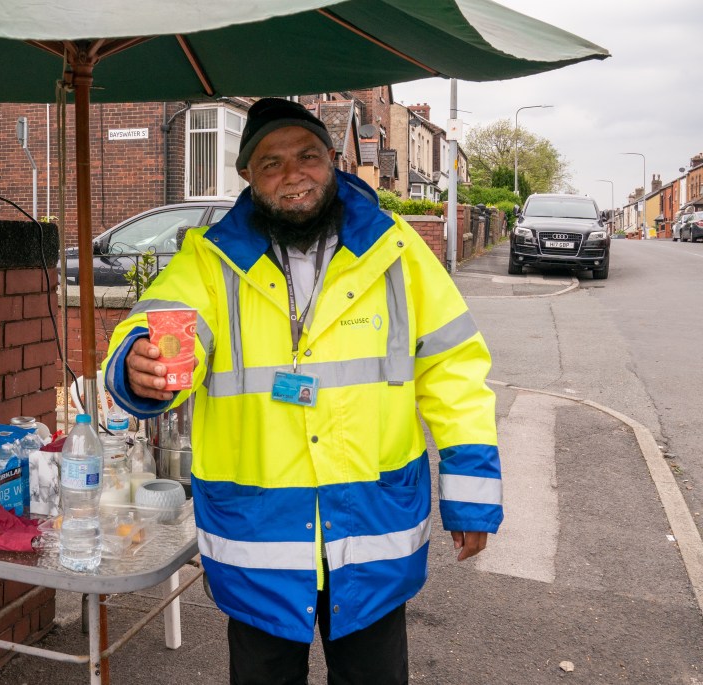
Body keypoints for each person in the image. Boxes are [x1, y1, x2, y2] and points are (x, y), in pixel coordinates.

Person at [103, 98, 502, 684]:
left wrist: (470, 493)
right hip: (258, 540)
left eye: (308, 156)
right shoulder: (209, 261)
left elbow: (454, 370)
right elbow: (156, 323)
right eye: (271, 163)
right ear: (246, 174)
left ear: (334, 159)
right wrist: (137, 364)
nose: (293, 175)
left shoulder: (397, 252)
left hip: (372, 530)